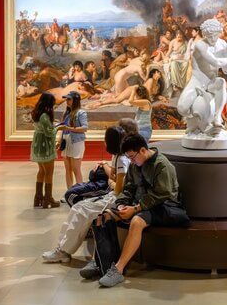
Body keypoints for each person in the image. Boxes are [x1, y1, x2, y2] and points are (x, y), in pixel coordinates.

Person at [82, 134, 188, 287]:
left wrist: (136, 208)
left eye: (132, 157)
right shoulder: (135, 165)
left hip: (166, 207)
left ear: (143, 150)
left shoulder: (162, 165)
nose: (131, 161)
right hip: (140, 204)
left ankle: (118, 269)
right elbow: (129, 188)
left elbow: (162, 194)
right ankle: (99, 262)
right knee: (102, 217)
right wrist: (122, 204)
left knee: (137, 221)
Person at [42, 125, 132, 263]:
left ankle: (64, 251)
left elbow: (117, 188)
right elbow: (112, 177)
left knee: (82, 211)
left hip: (118, 199)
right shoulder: (118, 156)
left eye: (105, 139)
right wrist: (111, 180)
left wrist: (111, 182)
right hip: (112, 194)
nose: (104, 141)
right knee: (77, 207)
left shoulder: (123, 159)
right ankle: (60, 248)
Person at [30, 93, 60, 208]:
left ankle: (38, 197)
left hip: (38, 144)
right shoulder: (44, 116)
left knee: (41, 171)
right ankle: (48, 199)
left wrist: (51, 124)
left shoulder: (37, 113)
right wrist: (57, 127)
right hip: (45, 146)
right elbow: (49, 133)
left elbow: (44, 127)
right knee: (49, 172)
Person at [58, 91, 88, 191]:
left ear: (75, 100)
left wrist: (69, 128)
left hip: (76, 141)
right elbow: (63, 129)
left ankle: (79, 192)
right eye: (66, 99)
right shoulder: (66, 113)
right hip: (66, 141)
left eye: (69, 99)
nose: (67, 101)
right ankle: (69, 192)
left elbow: (84, 128)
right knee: (68, 169)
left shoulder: (81, 113)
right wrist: (59, 140)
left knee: (76, 168)